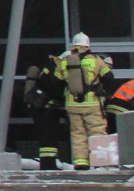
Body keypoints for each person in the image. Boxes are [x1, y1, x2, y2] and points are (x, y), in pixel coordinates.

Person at [48, 32, 117, 171]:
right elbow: (109, 77)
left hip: (72, 104)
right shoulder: (95, 60)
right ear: (87, 45)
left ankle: (81, 162)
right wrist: (105, 93)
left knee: (77, 133)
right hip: (92, 104)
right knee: (97, 131)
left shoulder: (65, 61)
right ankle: (99, 162)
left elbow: (55, 82)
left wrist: (63, 97)